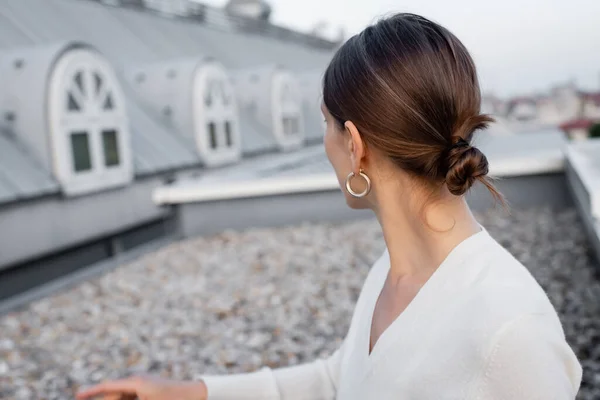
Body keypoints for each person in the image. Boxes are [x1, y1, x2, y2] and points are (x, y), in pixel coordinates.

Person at [76, 13, 582, 400]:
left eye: (325, 123)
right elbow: (341, 379)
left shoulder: (510, 330)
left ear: (355, 143)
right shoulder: (394, 271)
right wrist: (189, 392)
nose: (324, 143)